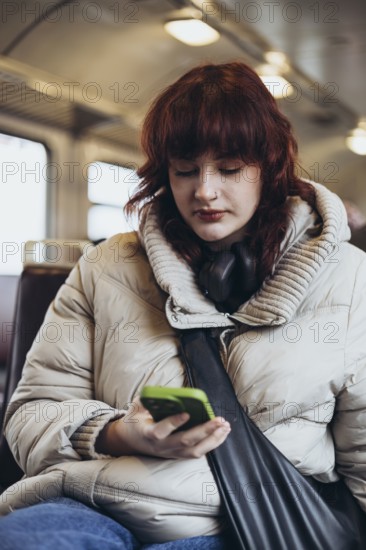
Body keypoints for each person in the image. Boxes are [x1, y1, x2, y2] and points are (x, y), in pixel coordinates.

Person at [0, 61, 366, 549]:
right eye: (185, 171)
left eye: (230, 169)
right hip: (95, 497)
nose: (205, 191)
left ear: (271, 170)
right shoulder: (106, 268)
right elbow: (31, 414)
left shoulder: (348, 279)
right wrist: (118, 433)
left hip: (245, 520)